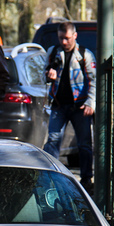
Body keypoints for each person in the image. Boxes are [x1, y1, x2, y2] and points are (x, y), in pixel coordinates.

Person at [43, 21, 96, 191]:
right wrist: (48, 76)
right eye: (61, 38)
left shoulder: (84, 55)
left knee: (84, 144)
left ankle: (87, 179)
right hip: (59, 105)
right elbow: (44, 75)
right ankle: (50, 176)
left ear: (75, 36)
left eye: (66, 38)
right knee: (52, 140)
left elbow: (94, 80)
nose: (64, 42)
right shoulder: (53, 53)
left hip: (79, 107)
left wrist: (90, 102)